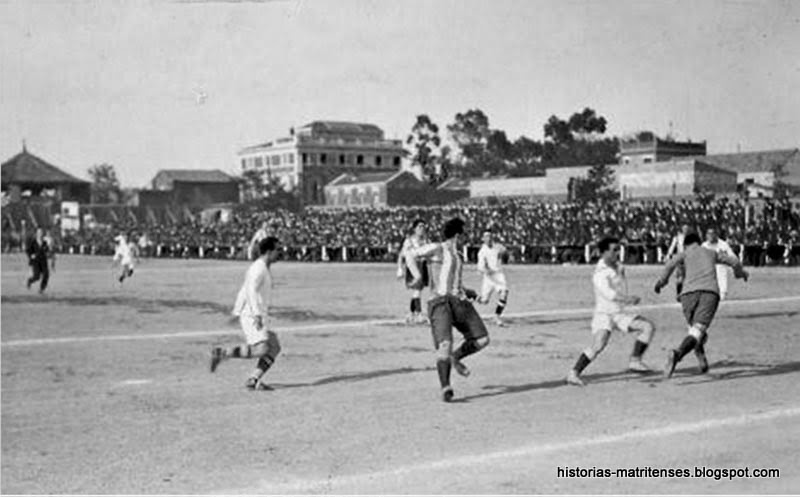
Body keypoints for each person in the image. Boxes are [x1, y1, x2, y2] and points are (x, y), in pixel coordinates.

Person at [404, 217, 490, 402]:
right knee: (444, 345)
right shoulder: (437, 248)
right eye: (464, 233)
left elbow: (457, 284)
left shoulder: (459, 255)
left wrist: (474, 296)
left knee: (482, 339)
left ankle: (455, 357)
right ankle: (446, 387)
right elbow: (410, 254)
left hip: (458, 301)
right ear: (458, 234)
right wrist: (418, 275)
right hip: (440, 302)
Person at [655, 232, 748, 378]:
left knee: (695, 331)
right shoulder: (710, 252)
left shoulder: (684, 254)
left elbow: (669, 265)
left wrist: (661, 283)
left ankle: (701, 358)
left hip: (687, 295)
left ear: (686, 244)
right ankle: (677, 354)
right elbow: (734, 262)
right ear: (699, 242)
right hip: (708, 293)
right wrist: (740, 274)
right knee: (697, 331)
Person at [566, 236, 657, 387]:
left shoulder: (616, 267)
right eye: (613, 250)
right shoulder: (600, 273)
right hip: (604, 314)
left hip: (619, 313)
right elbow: (609, 294)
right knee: (599, 345)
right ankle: (573, 373)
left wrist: (621, 274)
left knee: (647, 327)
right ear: (603, 253)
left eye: (617, 250)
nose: (617, 253)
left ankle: (635, 361)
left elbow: (619, 287)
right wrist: (627, 299)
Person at [210, 236, 282, 390]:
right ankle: (222, 353)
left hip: (257, 314)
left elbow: (244, 289)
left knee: (274, 346)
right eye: (278, 249)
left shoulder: (262, 267)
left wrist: (237, 311)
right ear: (269, 251)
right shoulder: (259, 268)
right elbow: (250, 290)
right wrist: (256, 314)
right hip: (252, 315)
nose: (280, 252)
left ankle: (253, 379)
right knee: (261, 349)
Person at [396, 219, 430, 324]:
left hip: (422, 265)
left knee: (418, 291)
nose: (422, 229)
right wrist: (400, 268)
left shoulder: (426, 241)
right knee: (417, 291)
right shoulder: (409, 241)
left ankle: (411, 314)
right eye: (419, 227)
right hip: (413, 266)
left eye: (423, 227)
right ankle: (418, 313)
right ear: (414, 229)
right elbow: (401, 255)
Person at [476, 229, 509, 326]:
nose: (488, 238)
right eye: (486, 237)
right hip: (489, 278)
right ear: (483, 239)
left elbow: (505, 252)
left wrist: (505, 254)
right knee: (484, 301)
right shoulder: (482, 252)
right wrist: (486, 270)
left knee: (504, 293)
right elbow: (480, 267)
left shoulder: (497, 247)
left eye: (490, 236)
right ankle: (472, 296)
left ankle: (497, 316)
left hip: (498, 275)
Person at [701, 227, 737, 300]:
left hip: (721, 266)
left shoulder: (723, 244)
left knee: (721, 270)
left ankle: (723, 292)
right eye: (708, 234)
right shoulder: (704, 245)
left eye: (712, 234)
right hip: (708, 267)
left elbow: (732, 256)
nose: (710, 236)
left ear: (716, 235)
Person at [665, 224, 692, 300]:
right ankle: (679, 293)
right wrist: (668, 255)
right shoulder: (677, 238)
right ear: (682, 229)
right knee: (680, 277)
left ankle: (686, 293)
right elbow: (672, 247)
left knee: (688, 277)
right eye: (684, 228)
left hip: (689, 259)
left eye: (687, 228)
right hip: (680, 259)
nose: (685, 230)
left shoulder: (691, 238)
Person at [26, 227, 53, 294]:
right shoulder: (33, 242)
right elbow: (28, 250)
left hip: (43, 261)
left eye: (41, 232)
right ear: (36, 233)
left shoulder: (44, 243)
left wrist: (50, 255)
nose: (40, 234)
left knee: (46, 275)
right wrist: (31, 255)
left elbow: (47, 252)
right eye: (39, 232)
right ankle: (30, 281)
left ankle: (41, 289)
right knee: (37, 276)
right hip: (36, 262)